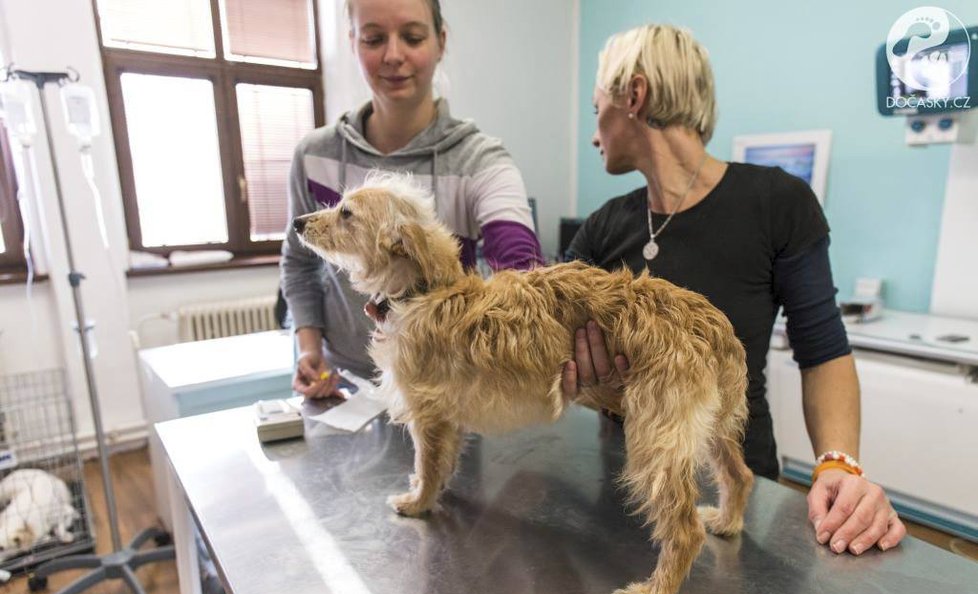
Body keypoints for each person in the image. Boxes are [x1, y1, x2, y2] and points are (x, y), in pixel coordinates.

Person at [562, 24, 906, 556]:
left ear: (634, 95)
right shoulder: (604, 226)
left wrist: (839, 464)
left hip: (736, 489)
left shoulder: (776, 202)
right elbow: (548, 349)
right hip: (629, 485)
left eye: (596, 108)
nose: (593, 134)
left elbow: (823, 350)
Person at [281, 0, 544, 398]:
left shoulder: (481, 161)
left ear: (440, 41)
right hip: (346, 386)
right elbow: (299, 265)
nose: (393, 55)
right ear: (352, 42)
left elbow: (521, 267)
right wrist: (309, 348)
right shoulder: (314, 155)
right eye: (373, 38)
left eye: (412, 37)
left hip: (444, 387)